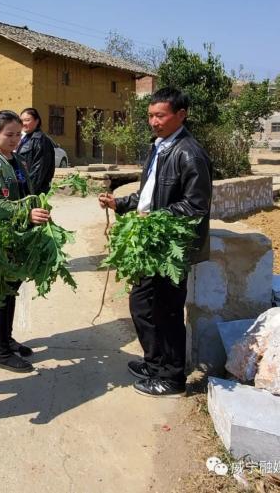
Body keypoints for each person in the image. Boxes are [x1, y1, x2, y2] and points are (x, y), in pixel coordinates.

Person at [98, 87, 212, 398]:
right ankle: (155, 362)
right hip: (153, 244)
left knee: (167, 311)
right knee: (142, 305)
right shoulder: (160, 147)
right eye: (150, 115)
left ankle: (173, 379)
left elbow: (196, 206)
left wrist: (158, 216)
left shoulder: (189, 153)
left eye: (160, 115)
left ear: (181, 115)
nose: (153, 121)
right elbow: (148, 196)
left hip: (171, 248)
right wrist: (120, 203)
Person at [0, 110, 51, 372]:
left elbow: (27, 193)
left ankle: (7, 339)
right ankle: (2, 352)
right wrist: (26, 213)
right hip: (2, 237)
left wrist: (39, 209)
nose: (15, 139)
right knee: (1, 292)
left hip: (21, 236)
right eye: (9, 134)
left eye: (19, 134)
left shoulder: (17, 159)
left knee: (12, 290)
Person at [17, 108, 56, 195]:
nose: (23, 123)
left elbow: (38, 171)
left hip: (34, 192)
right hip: (24, 188)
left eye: (27, 120)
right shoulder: (26, 139)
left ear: (37, 121)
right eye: (21, 120)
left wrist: (28, 192)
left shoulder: (40, 141)